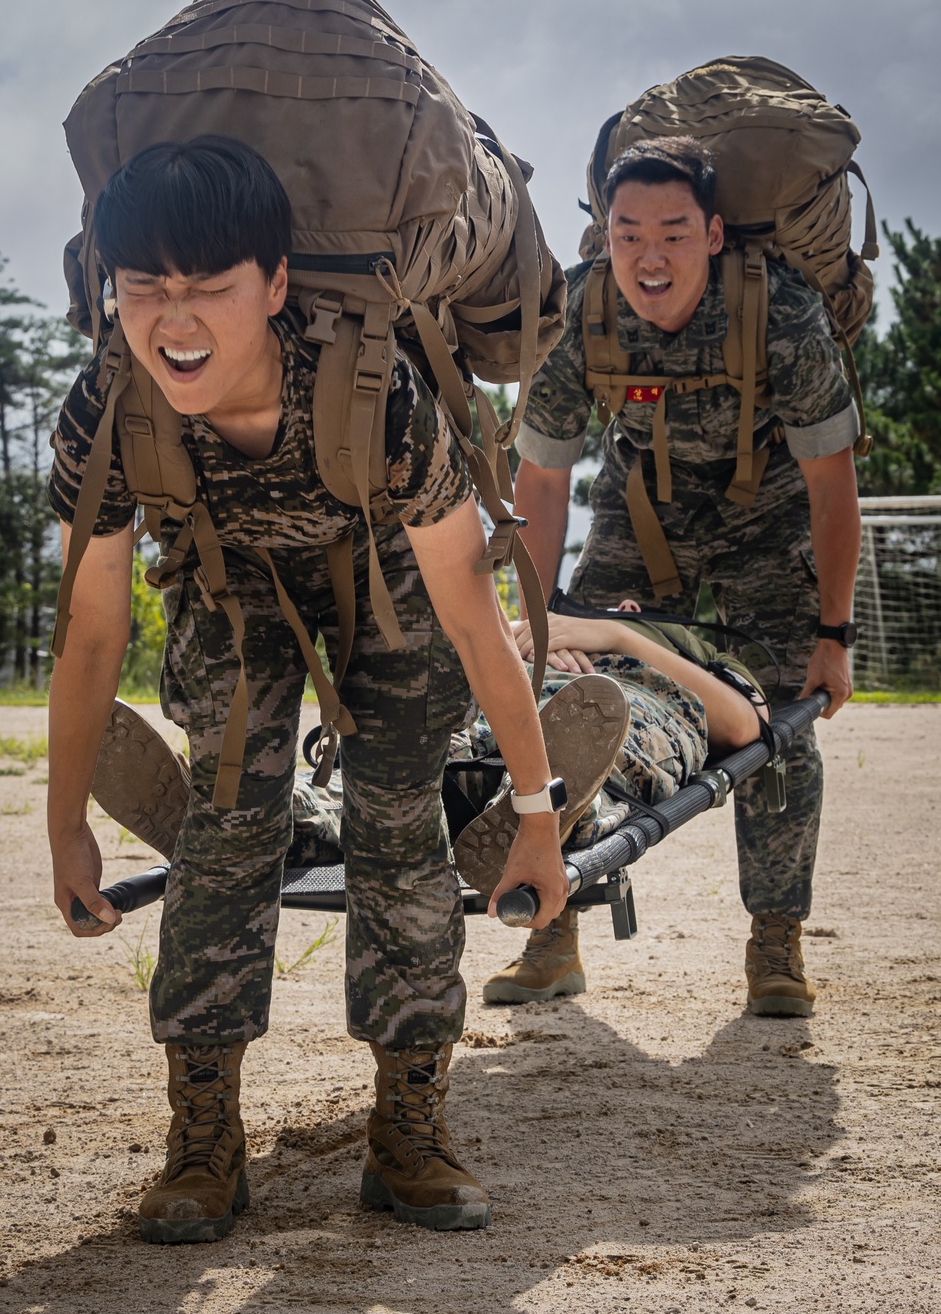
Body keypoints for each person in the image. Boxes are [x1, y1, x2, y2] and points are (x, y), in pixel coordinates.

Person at [45, 136, 574, 1241]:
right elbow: (90, 632)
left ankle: (409, 1126)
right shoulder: (107, 405)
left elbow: (475, 619)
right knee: (226, 830)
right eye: (144, 285)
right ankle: (203, 1142)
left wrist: (537, 816)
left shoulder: (374, 395)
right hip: (228, 587)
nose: (172, 320)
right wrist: (64, 832)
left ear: (276, 285)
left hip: (386, 585)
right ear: (112, 287)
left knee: (398, 826)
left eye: (207, 286)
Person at [509, 136, 862, 1018]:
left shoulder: (780, 313)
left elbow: (832, 482)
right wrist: (538, 629)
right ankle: (552, 931)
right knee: (577, 698)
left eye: (672, 232)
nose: (649, 257)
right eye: (628, 234)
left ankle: (775, 939)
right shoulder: (580, 315)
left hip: (768, 513)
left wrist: (833, 636)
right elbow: (543, 481)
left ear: (712, 233)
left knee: (782, 722)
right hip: (643, 510)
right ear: (604, 237)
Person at [94, 602, 771, 1009]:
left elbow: (744, 728)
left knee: (602, 750)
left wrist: (619, 639)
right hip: (516, 720)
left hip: (634, 714)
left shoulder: (690, 658)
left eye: (629, 607)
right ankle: (235, 812)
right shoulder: (553, 619)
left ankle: (549, 811)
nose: (623, 604)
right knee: (410, 781)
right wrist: (518, 641)